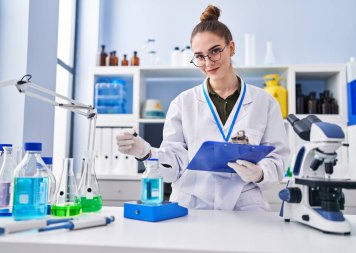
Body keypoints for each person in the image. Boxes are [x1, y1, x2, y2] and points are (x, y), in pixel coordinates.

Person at [116, 5, 290, 211]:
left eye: (215, 51)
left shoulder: (264, 102)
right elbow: (174, 166)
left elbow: (278, 159)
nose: (208, 62)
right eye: (199, 56)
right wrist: (145, 153)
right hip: (192, 206)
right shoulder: (182, 103)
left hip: (245, 207)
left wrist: (260, 172)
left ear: (231, 48)